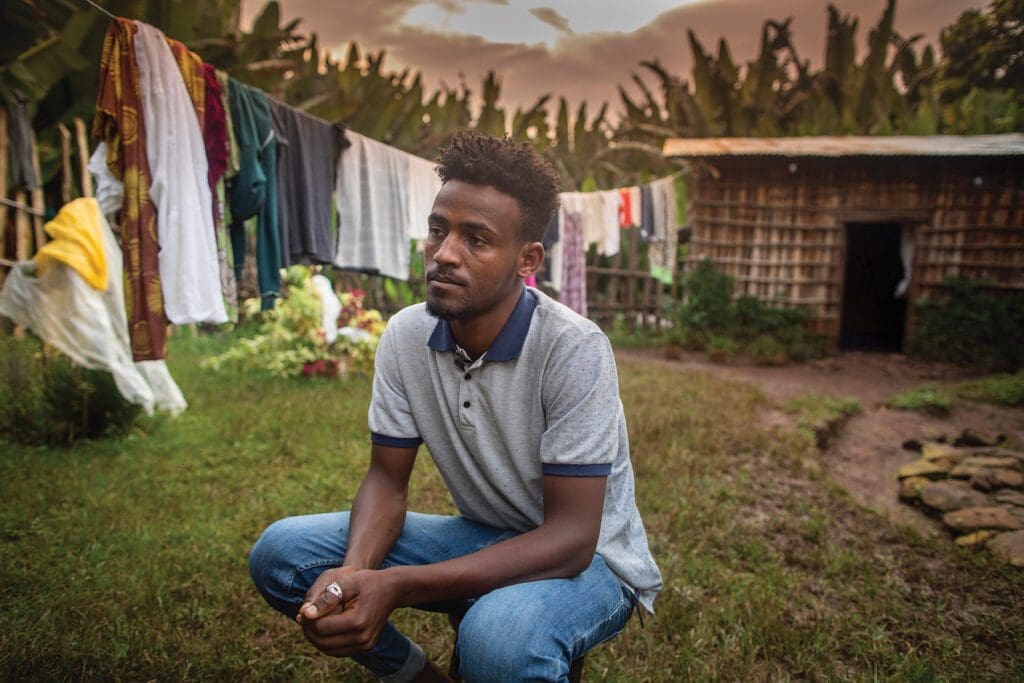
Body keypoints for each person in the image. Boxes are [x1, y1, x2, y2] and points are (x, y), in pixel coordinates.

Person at [248, 132, 662, 682]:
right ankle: (419, 677)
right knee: (282, 553)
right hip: (485, 532)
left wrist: (394, 585)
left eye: (477, 239)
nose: (444, 253)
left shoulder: (573, 348)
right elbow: (386, 482)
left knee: (498, 637)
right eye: (438, 230)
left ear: (528, 259)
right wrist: (354, 578)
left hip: (593, 563)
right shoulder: (405, 335)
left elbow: (570, 540)